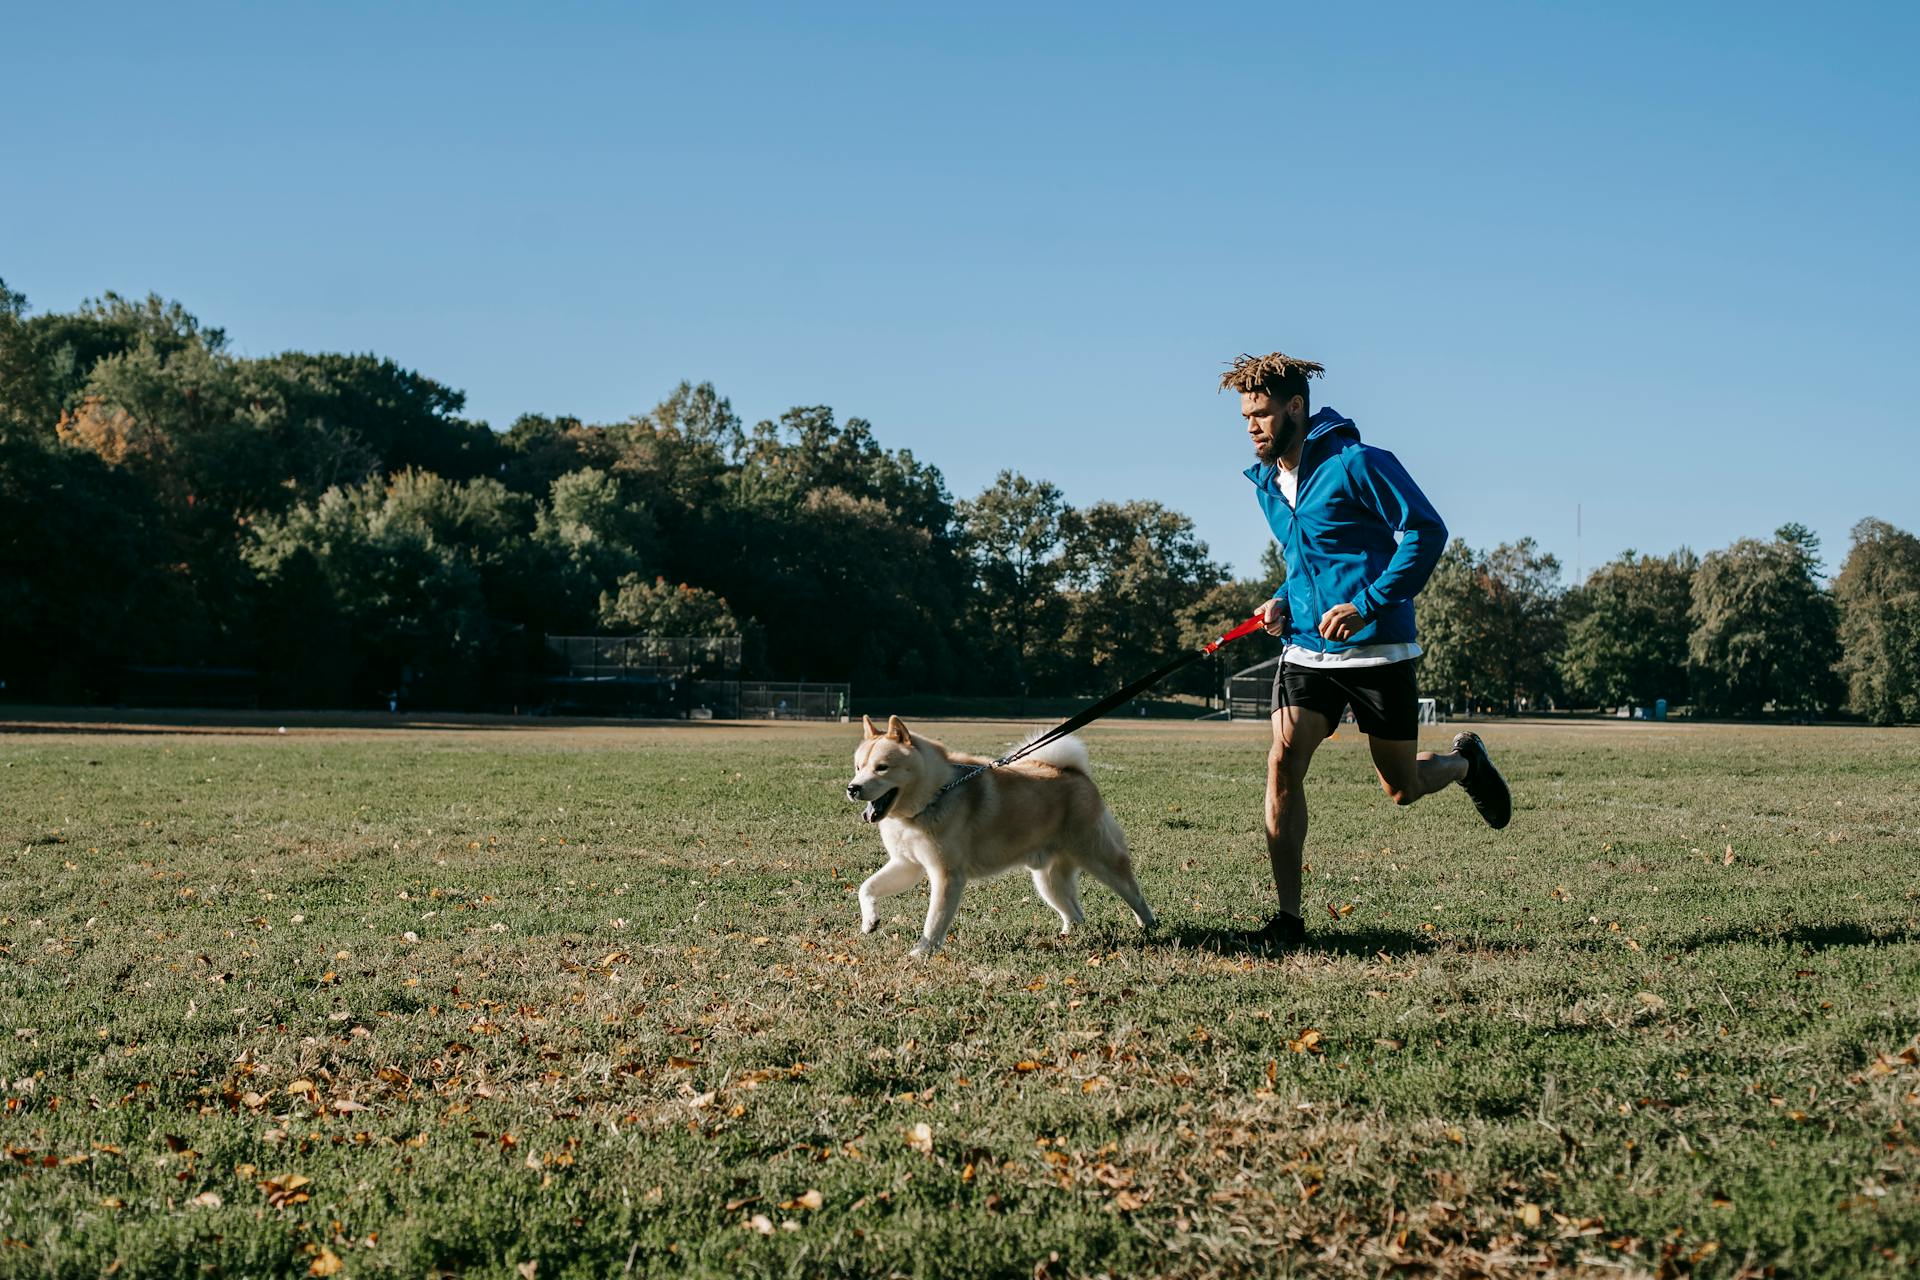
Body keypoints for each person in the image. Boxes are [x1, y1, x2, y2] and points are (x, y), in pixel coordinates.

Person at [1225, 352, 1511, 951]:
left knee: (1401, 787)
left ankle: (1465, 764)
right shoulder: (1266, 485)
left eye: (1263, 414)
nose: (1252, 426)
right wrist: (1281, 601)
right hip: (1307, 652)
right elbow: (1306, 562)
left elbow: (1426, 531)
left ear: (1296, 407)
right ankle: (1289, 920)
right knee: (1283, 762)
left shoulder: (1359, 464)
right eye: (1246, 416)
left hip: (1378, 647)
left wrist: (1368, 601)